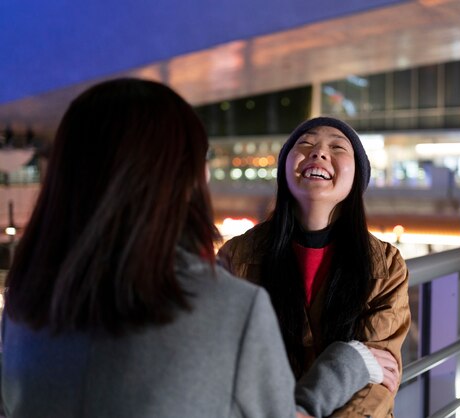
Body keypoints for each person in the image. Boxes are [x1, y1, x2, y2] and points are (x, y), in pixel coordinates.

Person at [0, 79, 375, 418]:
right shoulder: (231, 307)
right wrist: (349, 363)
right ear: (180, 177)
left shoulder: (24, 302)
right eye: (201, 157)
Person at [218, 117, 411, 417]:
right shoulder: (237, 254)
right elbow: (225, 360)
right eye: (305, 143)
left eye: (337, 146)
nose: (319, 153)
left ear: (357, 177)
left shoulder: (386, 265)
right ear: (284, 170)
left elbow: (379, 383)